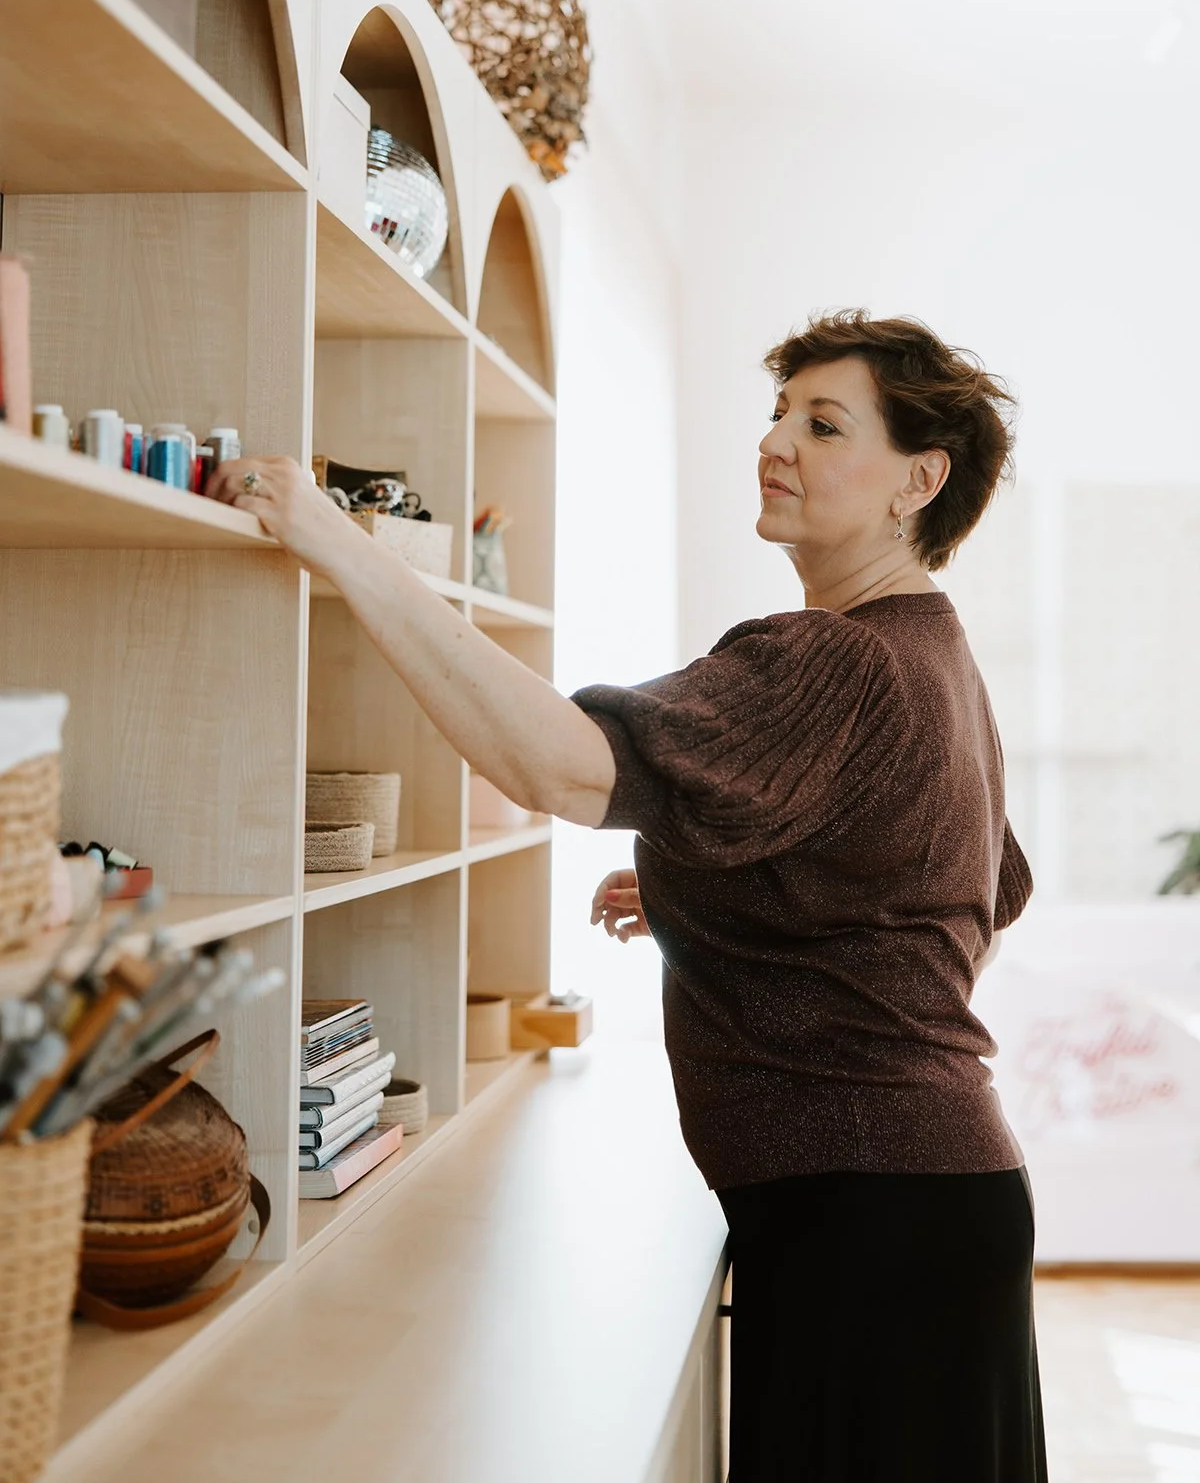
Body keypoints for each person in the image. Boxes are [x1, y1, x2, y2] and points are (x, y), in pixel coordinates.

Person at [210, 307, 1048, 1483]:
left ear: (921, 477)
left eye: (821, 422)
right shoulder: (933, 654)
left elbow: (556, 763)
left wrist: (344, 547)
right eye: (774, 413)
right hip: (933, 1197)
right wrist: (732, 899)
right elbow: (963, 902)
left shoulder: (835, 657)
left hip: (866, 1220)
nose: (776, 441)